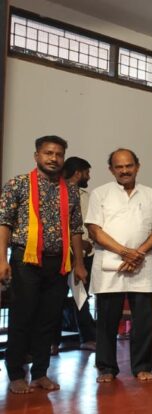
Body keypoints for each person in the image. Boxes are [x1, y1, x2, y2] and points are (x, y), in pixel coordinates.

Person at [0, 135, 88, 394]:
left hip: (58, 263)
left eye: (58, 154)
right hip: (25, 261)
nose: (54, 158)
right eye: (48, 153)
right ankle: (16, 374)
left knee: (49, 320)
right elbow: (4, 223)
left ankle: (40, 373)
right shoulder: (18, 184)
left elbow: (76, 230)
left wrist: (79, 263)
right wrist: (2, 260)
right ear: (37, 156)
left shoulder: (70, 191)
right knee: (22, 317)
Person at [86, 148, 152, 384]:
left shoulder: (150, 195)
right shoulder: (100, 194)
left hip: (142, 264)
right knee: (107, 322)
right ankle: (106, 368)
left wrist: (137, 254)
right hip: (110, 265)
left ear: (137, 167)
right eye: (119, 167)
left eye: (129, 165)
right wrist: (124, 252)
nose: (124, 170)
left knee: (143, 322)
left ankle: (141, 367)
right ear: (111, 170)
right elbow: (94, 230)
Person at [51, 156, 97, 353]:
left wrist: (89, 243)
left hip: (84, 254)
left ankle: (87, 338)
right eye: (87, 172)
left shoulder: (86, 196)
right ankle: (52, 342)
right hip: (60, 253)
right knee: (55, 298)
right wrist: (76, 243)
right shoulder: (55, 192)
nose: (89, 176)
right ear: (78, 173)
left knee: (82, 297)